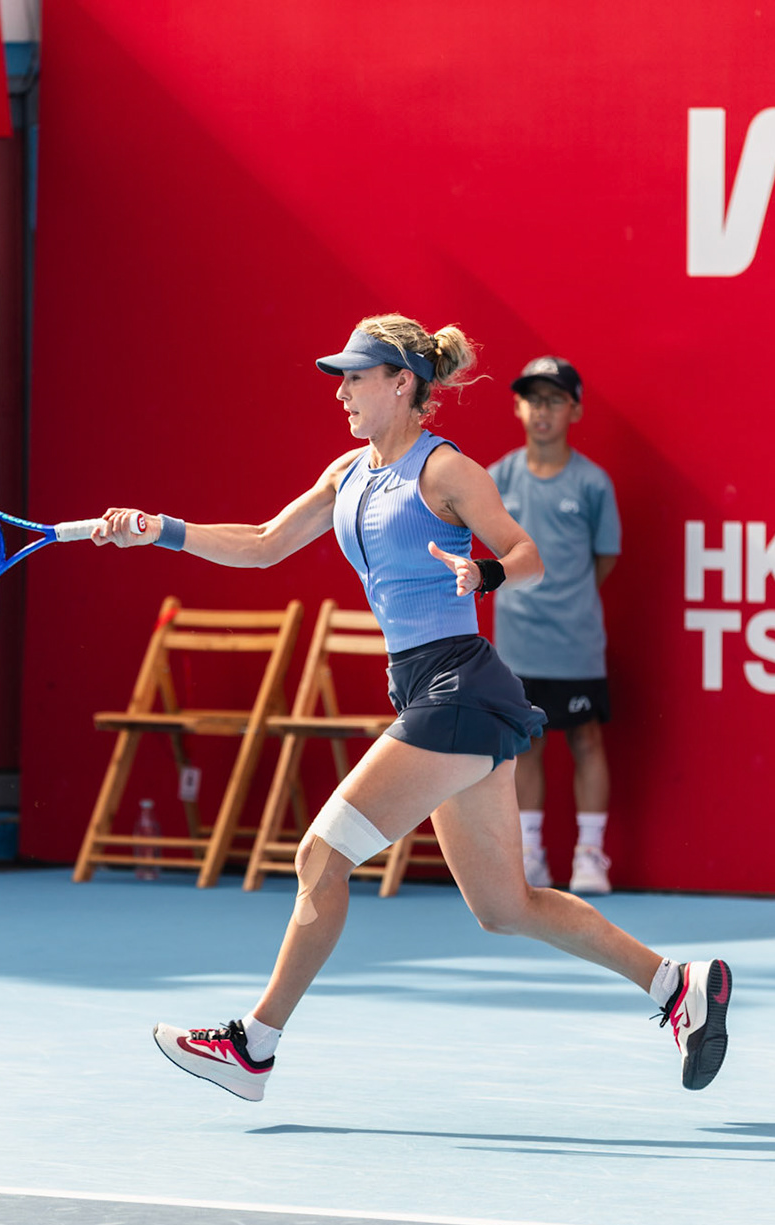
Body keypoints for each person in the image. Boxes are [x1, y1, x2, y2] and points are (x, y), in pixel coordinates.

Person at [92, 315, 729, 1103]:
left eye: (358, 376)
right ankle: (677, 986)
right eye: (341, 376)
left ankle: (253, 1046)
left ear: (403, 385)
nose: (343, 390)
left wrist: (484, 577)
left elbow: (526, 554)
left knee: (320, 857)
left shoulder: (448, 471)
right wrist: (161, 531)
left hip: (455, 685)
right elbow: (260, 543)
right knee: (504, 907)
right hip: (437, 691)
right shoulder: (345, 474)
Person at [488, 356, 620, 895]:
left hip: (577, 643)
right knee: (526, 747)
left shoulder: (592, 483)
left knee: (586, 739)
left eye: (554, 400)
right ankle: (531, 857)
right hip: (516, 645)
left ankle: (590, 857)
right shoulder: (497, 477)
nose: (542, 411)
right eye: (533, 399)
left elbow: (603, 558)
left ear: (575, 410)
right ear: (518, 407)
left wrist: (568, 599)